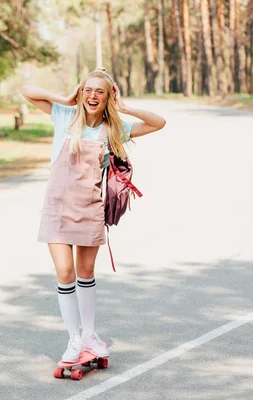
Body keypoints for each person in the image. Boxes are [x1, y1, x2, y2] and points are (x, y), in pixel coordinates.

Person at [20, 68, 166, 362]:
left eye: (100, 91)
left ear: (108, 96)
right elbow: (27, 91)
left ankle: (89, 334)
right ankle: (74, 339)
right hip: (58, 208)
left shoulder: (113, 129)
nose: (92, 96)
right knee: (65, 273)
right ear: (81, 92)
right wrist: (63, 97)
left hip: (88, 208)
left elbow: (158, 122)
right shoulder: (64, 116)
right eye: (88, 90)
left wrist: (124, 108)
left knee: (85, 273)